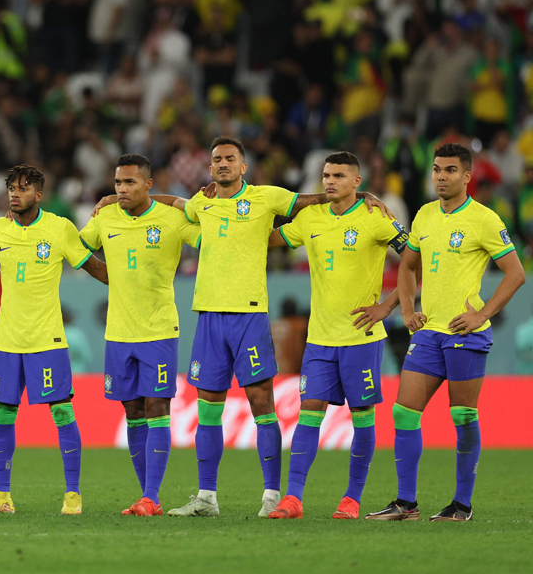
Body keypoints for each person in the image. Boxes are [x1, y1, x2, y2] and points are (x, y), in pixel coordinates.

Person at [93, 137, 389, 517]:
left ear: (243, 166)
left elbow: (311, 199)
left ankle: (270, 496)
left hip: (249, 316)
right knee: (208, 407)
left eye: (230, 158)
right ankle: (207, 498)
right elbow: (169, 202)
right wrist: (112, 199)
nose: (222, 164)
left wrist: (358, 192)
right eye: (216, 159)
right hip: (209, 317)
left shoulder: (267, 197)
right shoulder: (204, 202)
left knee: (261, 403)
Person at [367, 143, 525, 522]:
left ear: (467, 176)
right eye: (437, 169)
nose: (440, 176)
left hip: (465, 333)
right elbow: (407, 268)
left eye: (450, 170)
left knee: (463, 416)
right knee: (404, 413)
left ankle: (462, 506)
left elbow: (516, 273)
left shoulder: (484, 219)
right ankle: (406, 504)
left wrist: (482, 313)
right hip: (429, 332)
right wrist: (406, 308)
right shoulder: (424, 215)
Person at [264, 152, 410, 520]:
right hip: (320, 339)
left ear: (357, 182)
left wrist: (388, 306)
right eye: (326, 175)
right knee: (309, 413)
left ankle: (352, 499)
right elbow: (266, 240)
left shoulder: (376, 218)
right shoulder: (310, 217)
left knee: (362, 416)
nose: (329, 181)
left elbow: (416, 259)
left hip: (361, 337)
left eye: (339, 176)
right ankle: (293, 498)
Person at [0, 165, 108, 515]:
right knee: (2, 413)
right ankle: (1, 496)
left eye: (24, 188)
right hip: (8, 341)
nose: (15, 193)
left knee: (61, 411)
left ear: (39, 195)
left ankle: (73, 495)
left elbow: (95, 268)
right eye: (12, 187)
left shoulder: (59, 228)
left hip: (47, 340)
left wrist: (131, 282)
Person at [80, 155, 202, 516]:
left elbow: (208, 237)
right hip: (118, 332)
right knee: (131, 409)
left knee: (156, 407)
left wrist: (185, 203)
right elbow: (75, 249)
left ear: (149, 185)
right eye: (118, 183)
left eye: (130, 182)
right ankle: (147, 496)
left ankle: (151, 495)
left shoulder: (172, 219)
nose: (121, 189)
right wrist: (104, 273)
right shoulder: (104, 218)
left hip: (159, 329)